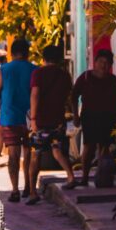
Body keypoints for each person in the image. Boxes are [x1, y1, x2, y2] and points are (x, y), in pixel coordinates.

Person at [0, 38, 35, 202]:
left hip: (10, 116)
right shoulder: (34, 69)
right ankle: (29, 186)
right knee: (29, 152)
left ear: (12, 53)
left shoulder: (4, 69)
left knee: (14, 154)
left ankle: (15, 189)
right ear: (27, 52)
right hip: (31, 117)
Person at [28, 44, 75, 200]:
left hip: (41, 120)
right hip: (58, 120)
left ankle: (33, 192)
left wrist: (33, 119)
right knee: (57, 150)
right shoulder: (64, 75)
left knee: (36, 155)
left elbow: (35, 95)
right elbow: (70, 97)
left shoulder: (38, 74)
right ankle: (70, 176)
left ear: (44, 58)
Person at [72, 48, 116, 187]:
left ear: (111, 65)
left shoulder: (113, 81)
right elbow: (73, 96)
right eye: (101, 61)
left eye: (107, 63)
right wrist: (75, 116)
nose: (104, 65)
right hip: (90, 117)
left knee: (104, 148)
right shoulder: (85, 77)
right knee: (88, 147)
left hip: (109, 118)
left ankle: (101, 177)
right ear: (95, 62)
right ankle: (84, 177)